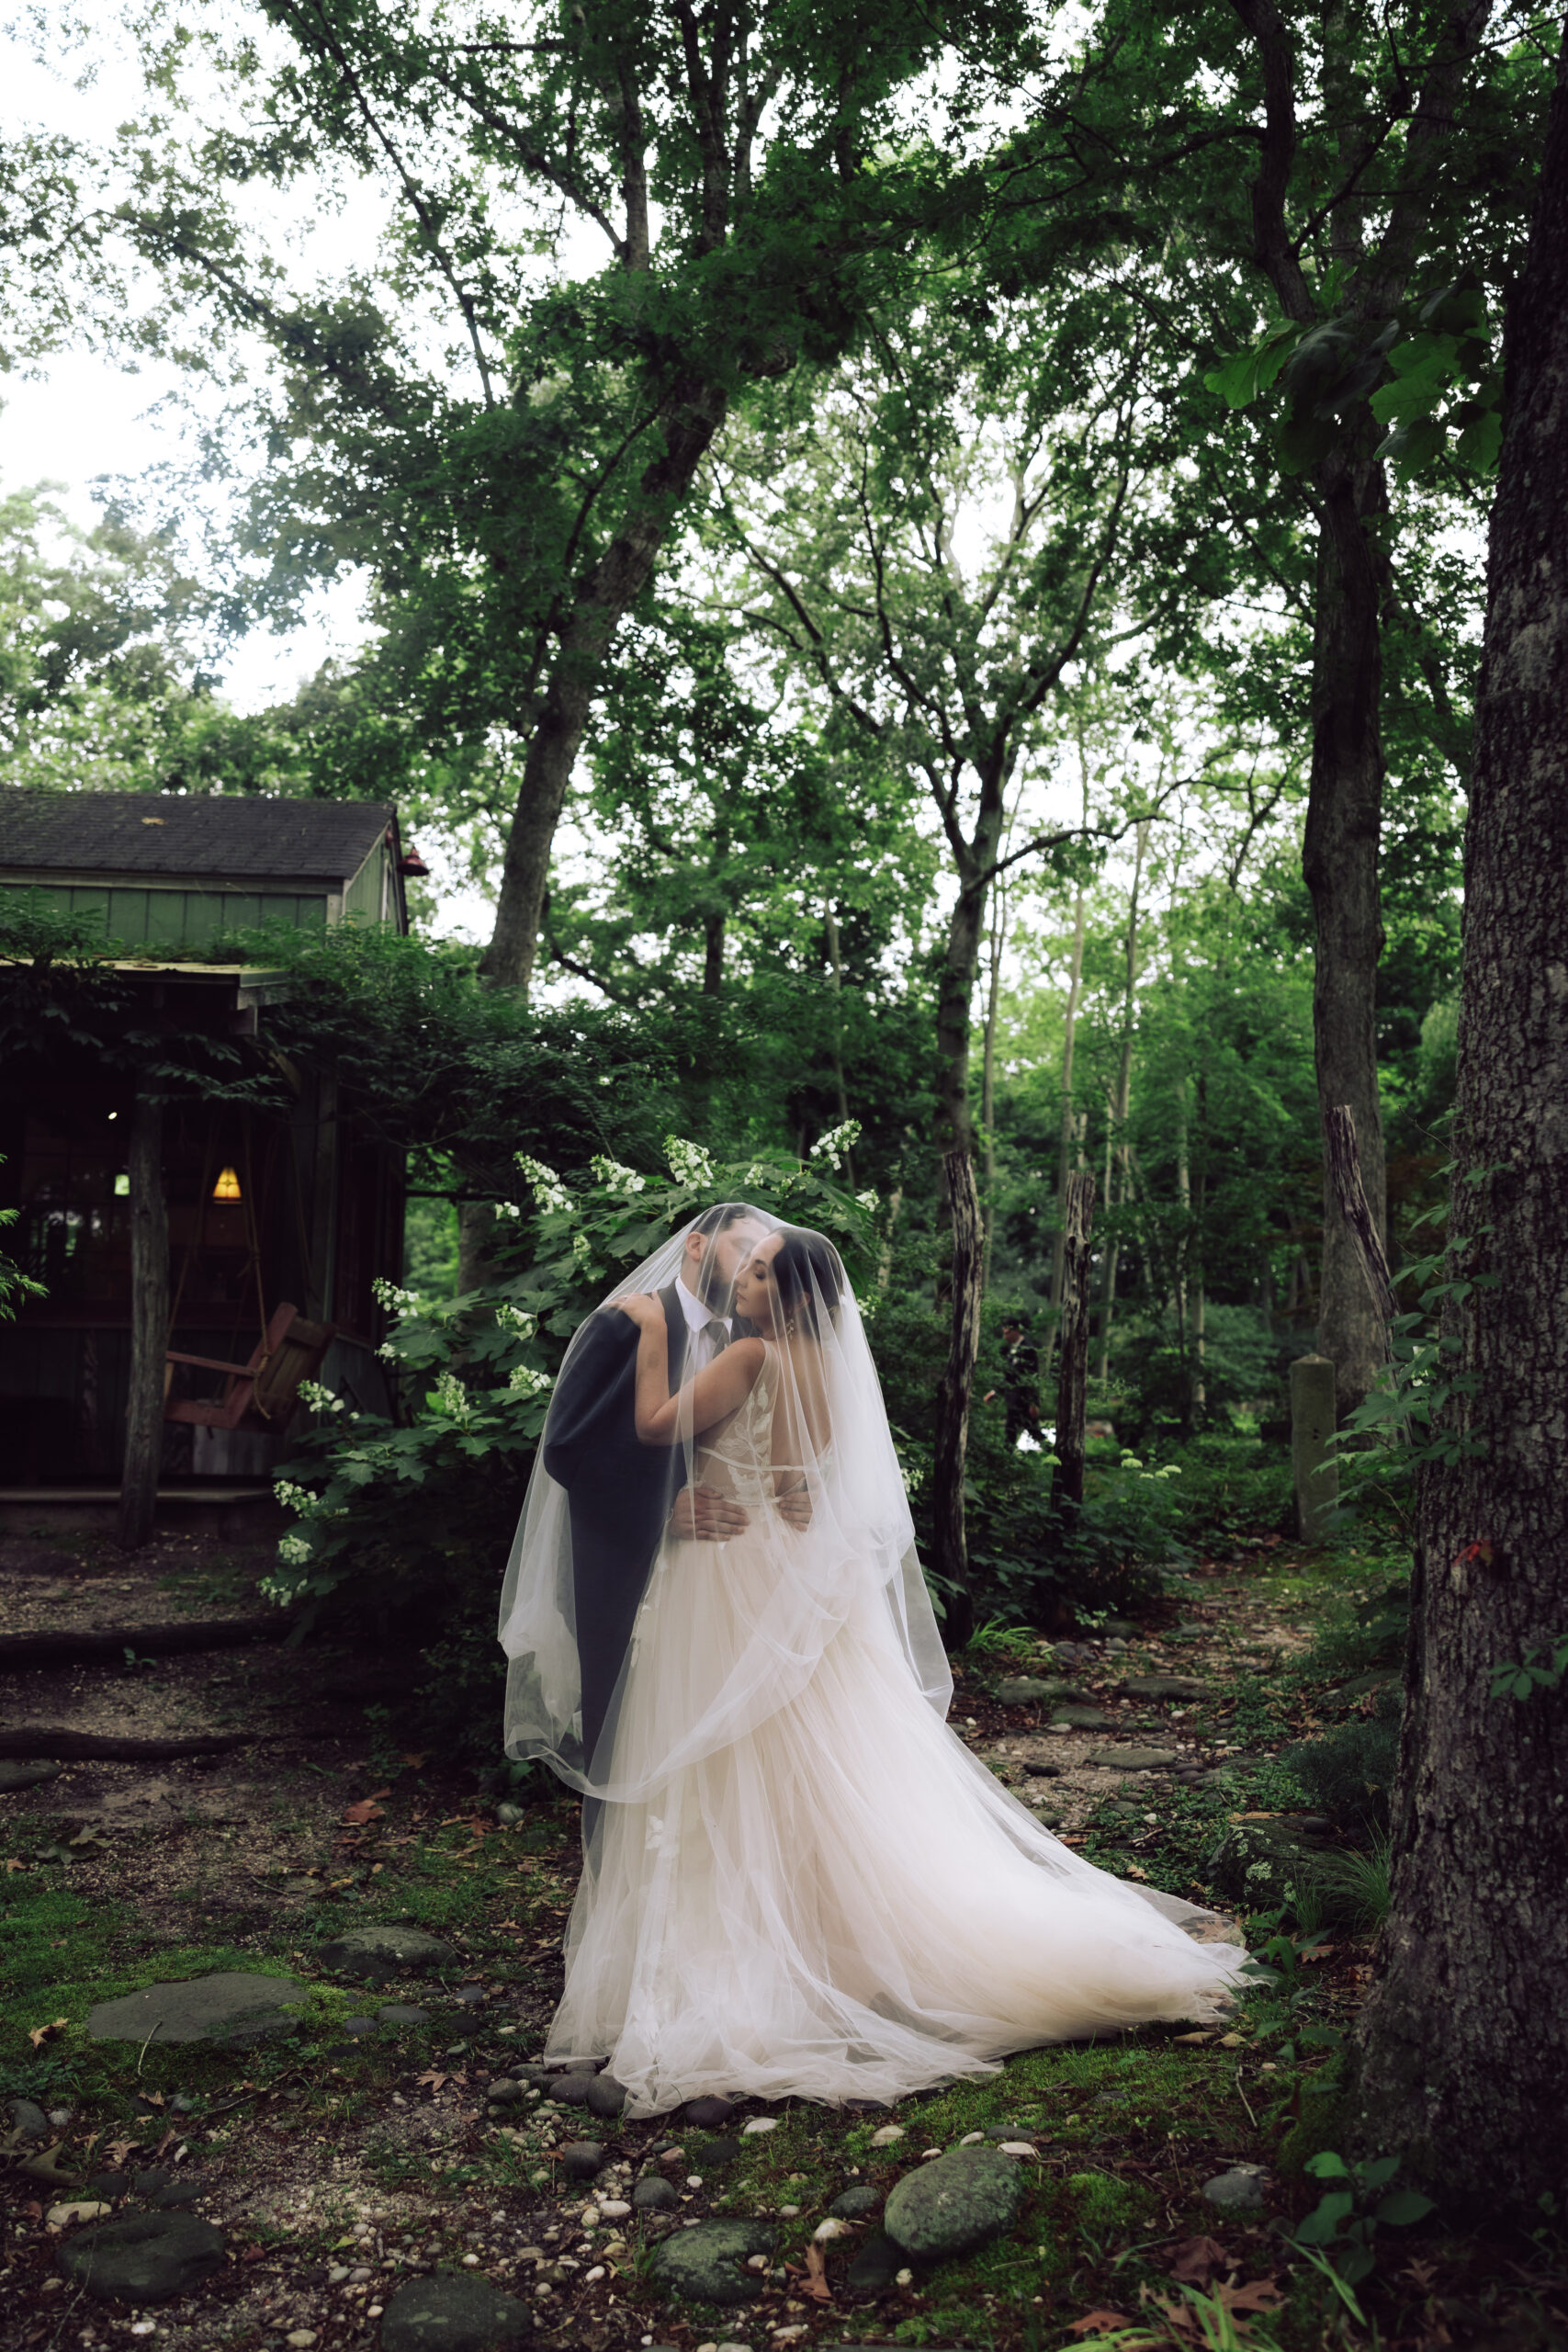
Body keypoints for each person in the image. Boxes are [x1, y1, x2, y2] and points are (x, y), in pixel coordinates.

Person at [498, 1210, 1247, 2117]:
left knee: (728, 1759)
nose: (745, 1276)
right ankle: (830, 1946)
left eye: (764, 1271)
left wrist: (655, 1335)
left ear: (791, 1294)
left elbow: (657, 1426)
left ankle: (758, 1952)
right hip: (787, 1574)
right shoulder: (826, 1373)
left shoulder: (750, 1357)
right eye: (746, 1261)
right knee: (812, 1761)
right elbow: (795, 1480)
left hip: (727, 1580)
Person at [983, 1313, 1042, 1448]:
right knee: (1011, 1430)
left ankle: (1054, 1454)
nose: (1005, 1337)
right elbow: (1009, 1376)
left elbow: (1033, 1376)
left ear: (1015, 1331)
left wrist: (1033, 1402)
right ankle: (1006, 1461)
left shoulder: (1028, 1349)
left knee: (1033, 1431)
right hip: (1013, 1399)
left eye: (1007, 1333)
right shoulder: (1011, 1349)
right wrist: (995, 1392)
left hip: (1024, 1400)